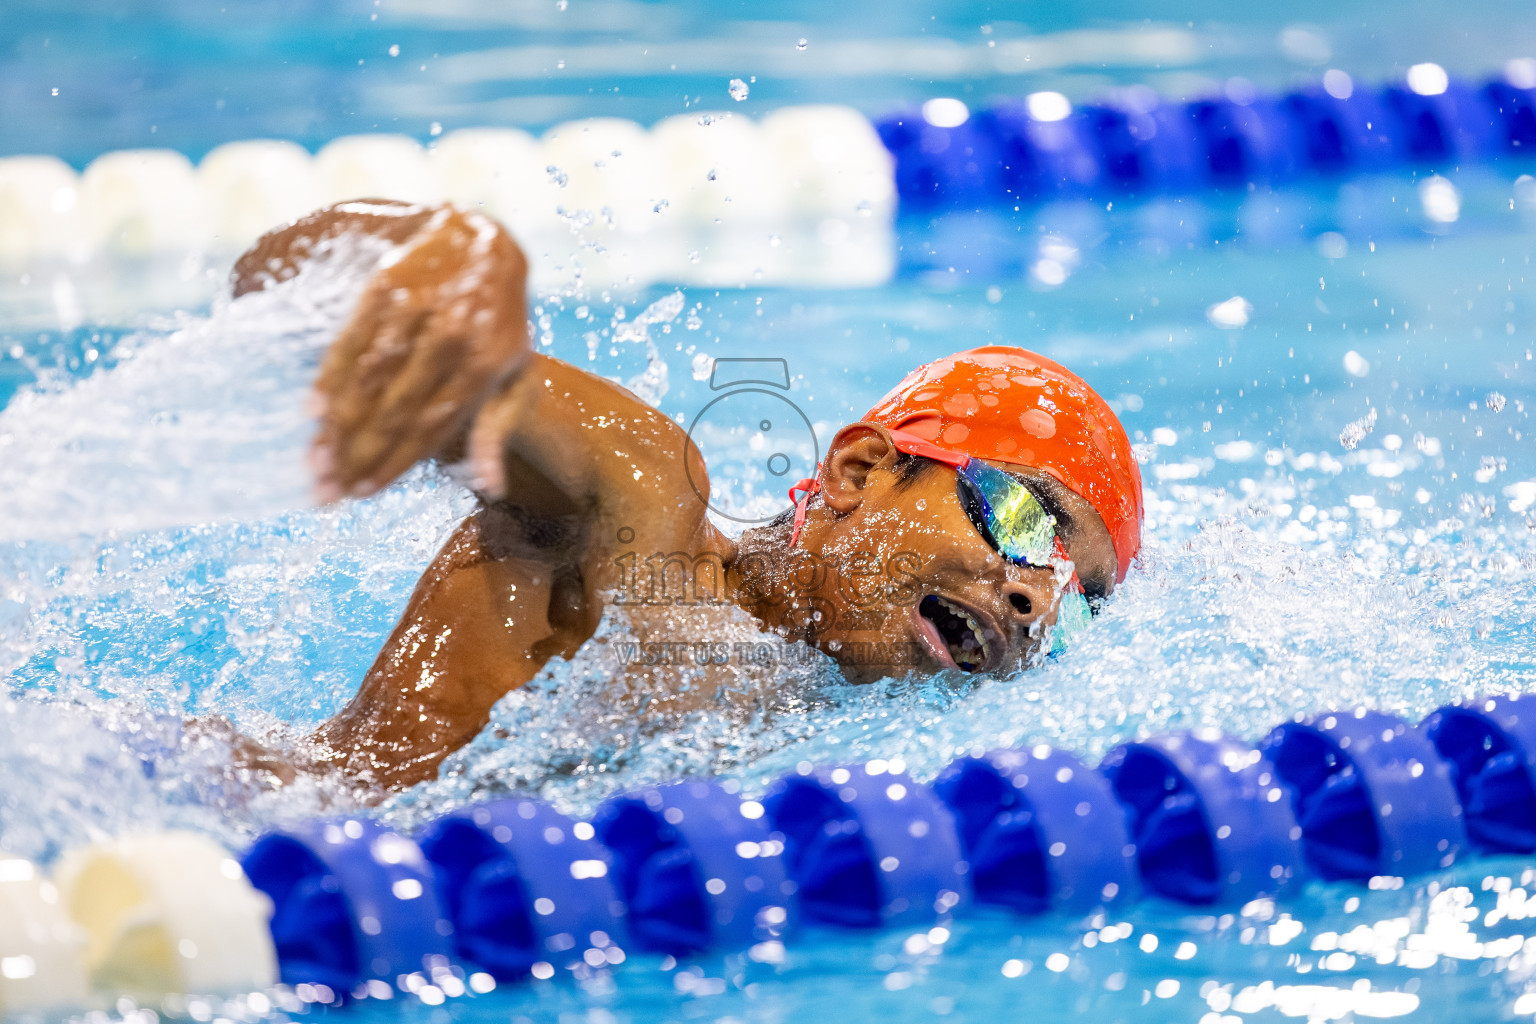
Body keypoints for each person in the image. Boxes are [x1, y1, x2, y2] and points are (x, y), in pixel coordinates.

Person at [231, 199, 1144, 791]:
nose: (1038, 595)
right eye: (1025, 519)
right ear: (859, 470)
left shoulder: (816, 707)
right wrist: (432, 278)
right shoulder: (643, 514)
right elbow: (294, 282)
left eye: (1080, 600)